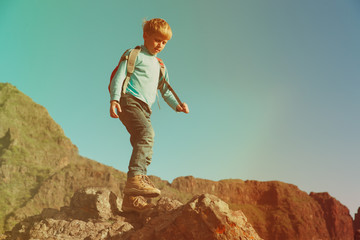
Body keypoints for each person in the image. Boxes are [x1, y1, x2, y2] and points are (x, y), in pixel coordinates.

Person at [109, 18, 189, 212]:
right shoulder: (134, 54)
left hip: (145, 109)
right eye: (156, 40)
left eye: (164, 42)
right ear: (145, 35)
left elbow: (165, 91)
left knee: (145, 147)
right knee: (147, 134)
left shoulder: (160, 65)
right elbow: (119, 77)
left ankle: (131, 200)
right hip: (129, 101)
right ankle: (135, 180)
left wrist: (177, 106)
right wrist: (114, 99)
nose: (160, 45)